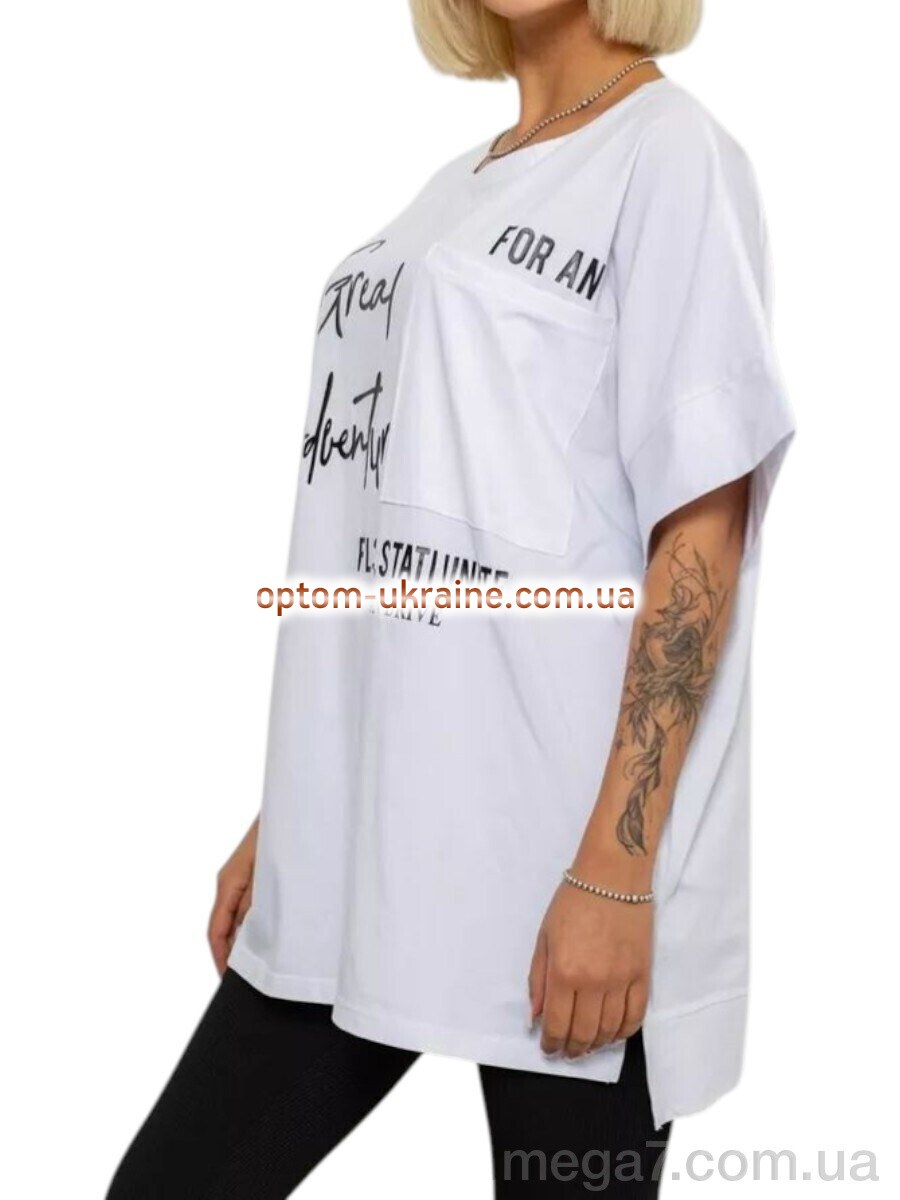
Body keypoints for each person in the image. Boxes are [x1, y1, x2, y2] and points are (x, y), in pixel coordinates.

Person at [107, 1, 795, 1195]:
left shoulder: (668, 154)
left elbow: (699, 530)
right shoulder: (451, 192)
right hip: (363, 849)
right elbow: (403, 523)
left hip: (563, 864)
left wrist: (616, 868)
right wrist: (299, 808)